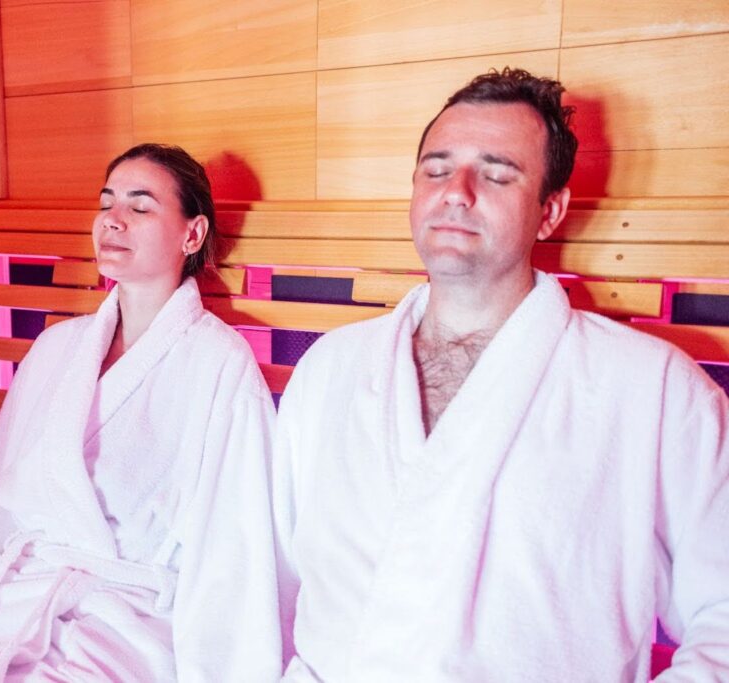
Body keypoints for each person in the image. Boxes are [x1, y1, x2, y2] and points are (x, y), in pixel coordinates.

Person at [274, 68, 729, 681]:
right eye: (436, 169)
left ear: (550, 210)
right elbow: (270, 579)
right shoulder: (329, 368)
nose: (456, 192)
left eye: (495, 174)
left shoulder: (654, 391)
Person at [0, 144, 282, 682]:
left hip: (130, 613)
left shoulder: (219, 362)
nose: (113, 219)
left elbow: (237, 537)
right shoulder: (57, 347)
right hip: (23, 587)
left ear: (193, 234)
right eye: (107, 203)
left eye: (140, 206)